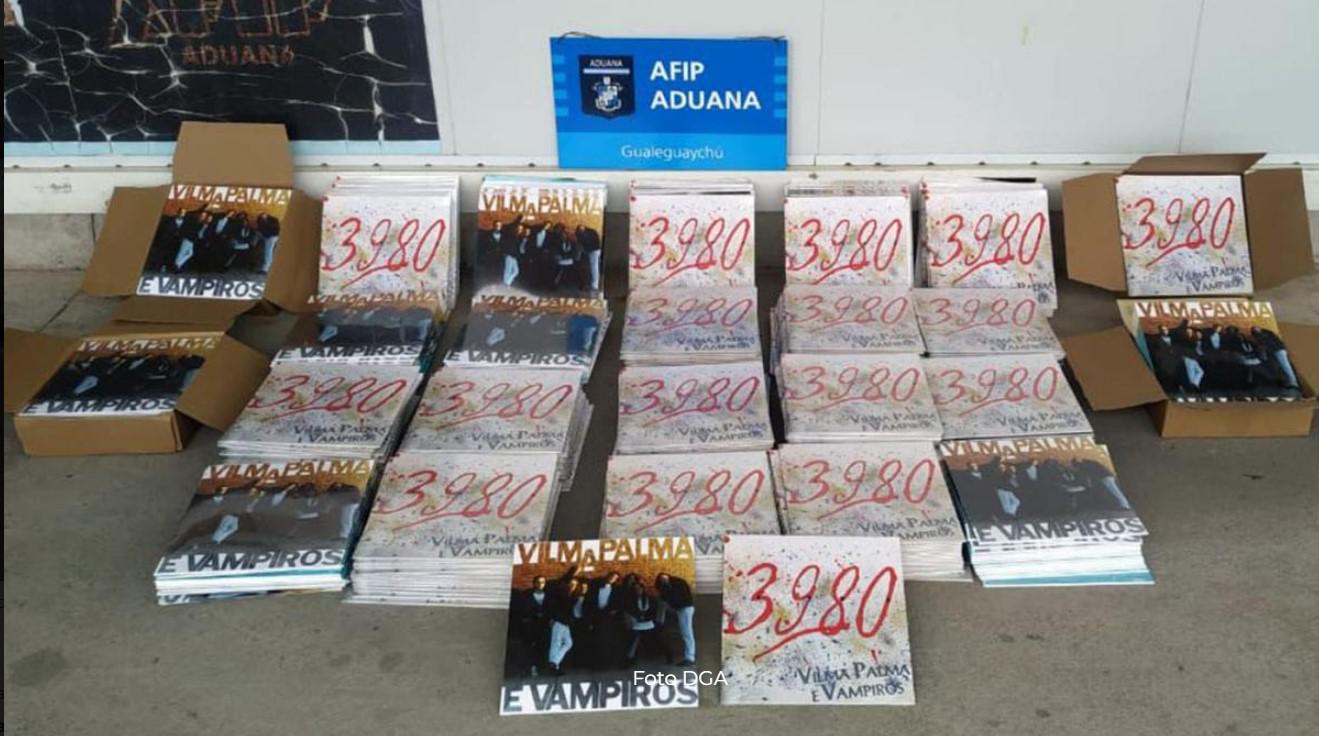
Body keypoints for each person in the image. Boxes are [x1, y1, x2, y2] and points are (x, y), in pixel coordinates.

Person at [514, 576, 551, 676]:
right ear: (534, 583)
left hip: (544, 626)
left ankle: (541, 666)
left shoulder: (548, 596)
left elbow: (550, 609)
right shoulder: (527, 595)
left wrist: (546, 617)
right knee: (531, 647)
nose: (540, 584)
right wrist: (533, 616)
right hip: (531, 626)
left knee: (543, 646)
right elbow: (523, 610)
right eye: (538, 582)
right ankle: (532, 667)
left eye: (543, 582)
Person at [655, 572, 695, 666]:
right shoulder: (677, 583)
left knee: (686, 633)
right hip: (684, 608)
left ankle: (690, 657)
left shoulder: (675, 584)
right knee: (686, 632)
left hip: (684, 608)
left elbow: (674, 598)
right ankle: (690, 656)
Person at [545, 566, 579, 675]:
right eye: (571, 584)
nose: (573, 586)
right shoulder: (561, 595)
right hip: (559, 621)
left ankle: (554, 663)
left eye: (575, 585)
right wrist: (572, 572)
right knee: (556, 643)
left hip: (565, 623)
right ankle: (553, 666)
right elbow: (552, 607)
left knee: (568, 643)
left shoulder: (572, 597)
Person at [623, 576, 659, 665]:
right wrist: (638, 617)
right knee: (634, 637)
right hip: (636, 622)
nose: (638, 590)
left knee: (657, 637)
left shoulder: (649, 598)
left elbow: (653, 611)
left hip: (648, 621)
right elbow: (630, 610)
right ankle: (630, 658)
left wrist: (647, 617)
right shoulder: (630, 599)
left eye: (639, 588)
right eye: (636, 589)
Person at [1251, 325, 1299, 391]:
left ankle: (1293, 383)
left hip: (1277, 350)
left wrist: (1262, 354)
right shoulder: (1268, 332)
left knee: (1285, 367)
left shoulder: (1261, 335)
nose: (1256, 330)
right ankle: (1289, 383)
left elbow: (1263, 345)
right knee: (1283, 367)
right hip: (1278, 349)